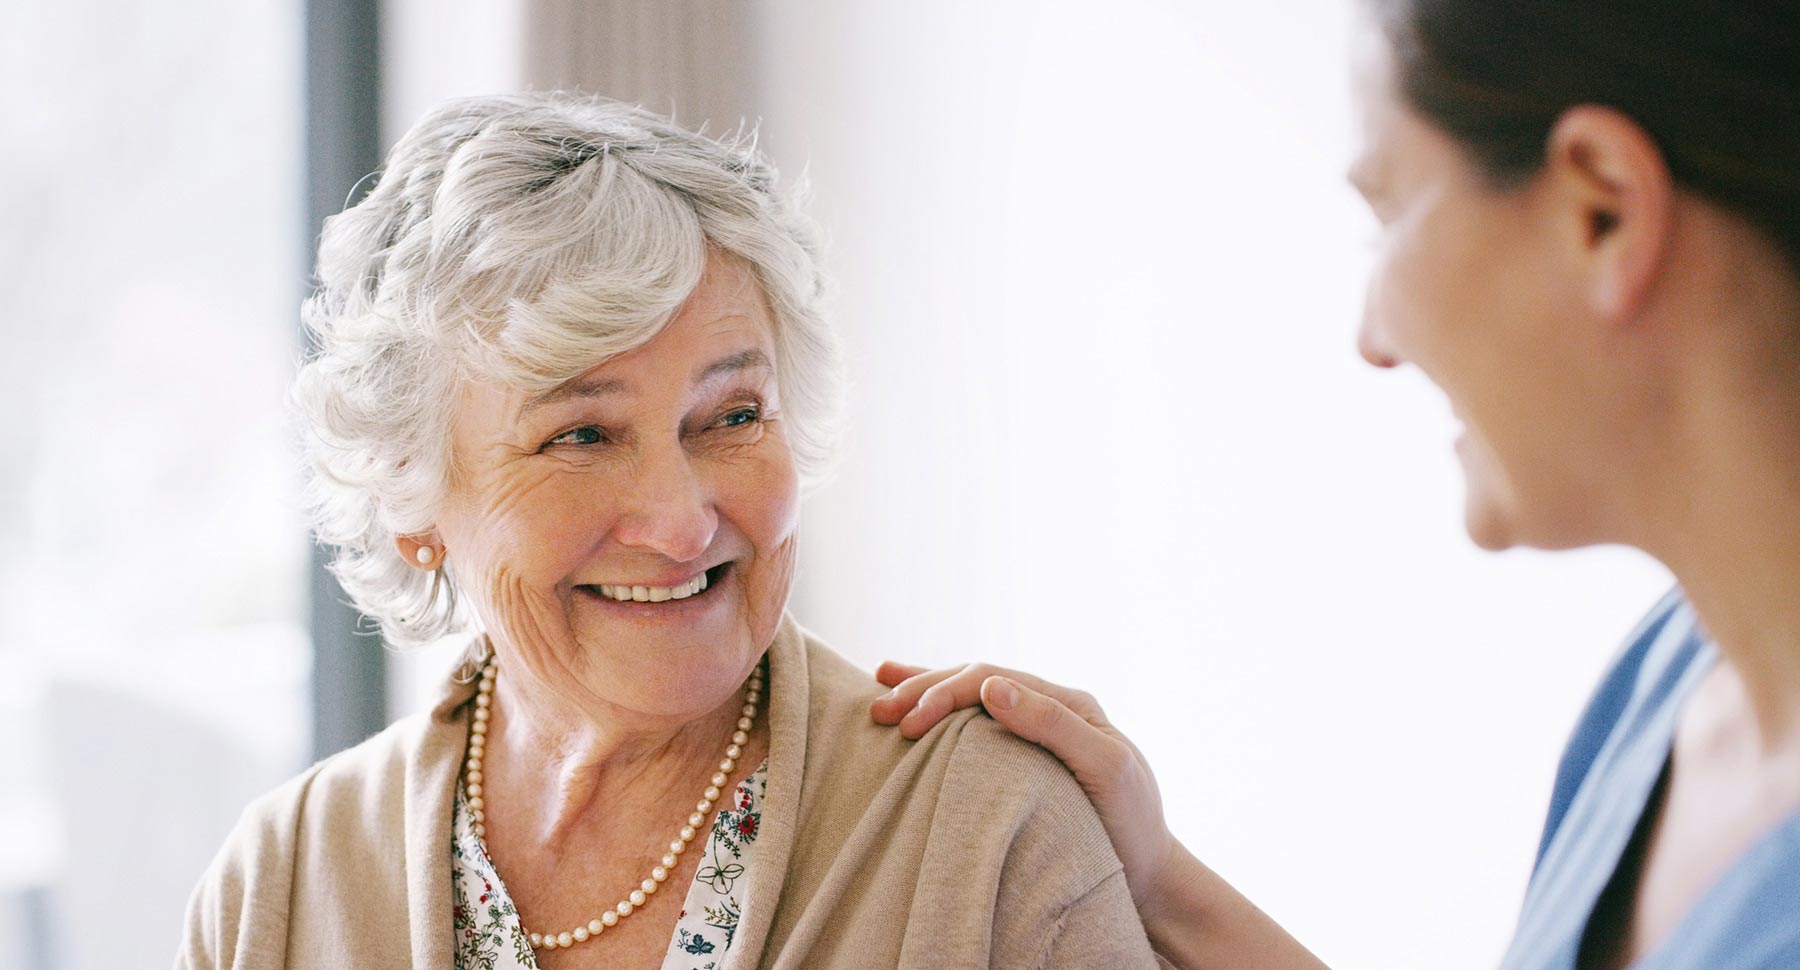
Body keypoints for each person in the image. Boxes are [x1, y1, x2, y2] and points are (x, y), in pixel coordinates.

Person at [872, 0, 1800, 968]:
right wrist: (1157, 877)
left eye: (1389, 214)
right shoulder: (1665, 682)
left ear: (1600, 207)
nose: (1376, 338)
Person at [178, 94, 1158, 970]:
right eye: (583, 434)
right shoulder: (280, 886)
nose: (683, 523)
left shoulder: (988, 835)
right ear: (411, 497)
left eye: (732, 415)